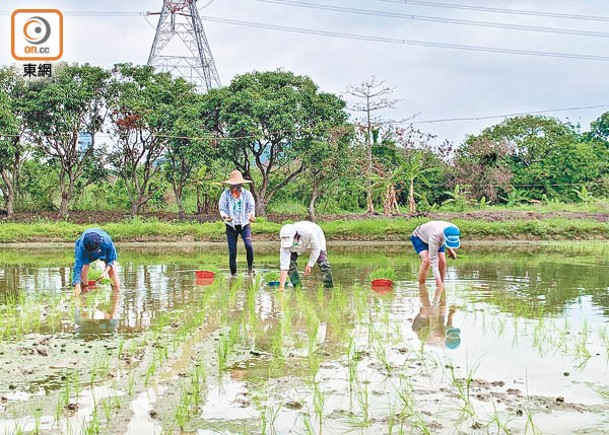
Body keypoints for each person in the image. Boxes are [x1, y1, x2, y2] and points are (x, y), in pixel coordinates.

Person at [219, 170, 256, 277]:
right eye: (232, 186)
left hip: (244, 224)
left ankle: (250, 270)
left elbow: (251, 208)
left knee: (249, 245)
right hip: (231, 226)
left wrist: (251, 215)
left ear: (241, 185)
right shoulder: (225, 195)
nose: (234, 188)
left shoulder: (247, 194)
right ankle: (233, 275)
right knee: (232, 251)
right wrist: (225, 217)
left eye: (237, 186)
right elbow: (222, 208)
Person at [278, 221, 334, 290]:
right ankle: (298, 288)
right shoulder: (284, 245)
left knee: (323, 263)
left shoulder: (308, 232)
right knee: (290, 264)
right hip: (297, 245)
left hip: (316, 236)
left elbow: (316, 249)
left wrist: (310, 265)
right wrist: (281, 287)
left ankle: (329, 288)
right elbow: (284, 267)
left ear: (295, 236)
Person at [411, 220, 461, 290]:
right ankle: (422, 287)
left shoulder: (455, 230)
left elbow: (449, 239)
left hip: (437, 236)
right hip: (419, 237)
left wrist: (450, 250)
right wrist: (438, 281)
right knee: (427, 261)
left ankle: (441, 283)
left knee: (442, 260)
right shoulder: (435, 236)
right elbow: (434, 262)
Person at [412, 283, 460, 349]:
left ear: (445, 339)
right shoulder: (450, 334)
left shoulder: (436, 335)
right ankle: (442, 284)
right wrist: (451, 313)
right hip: (438, 324)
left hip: (421, 327)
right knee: (443, 307)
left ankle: (422, 286)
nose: (451, 332)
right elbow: (449, 326)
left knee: (427, 310)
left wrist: (437, 295)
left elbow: (432, 315)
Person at [72, 228, 119, 296]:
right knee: (84, 268)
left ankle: (116, 294)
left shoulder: (107, 242)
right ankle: (84, 292)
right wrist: (77, 285)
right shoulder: (81, 247)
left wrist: (104, 272)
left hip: (102, 247)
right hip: (86, 250)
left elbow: (111, 260)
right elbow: (77, 268)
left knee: (112, 270)